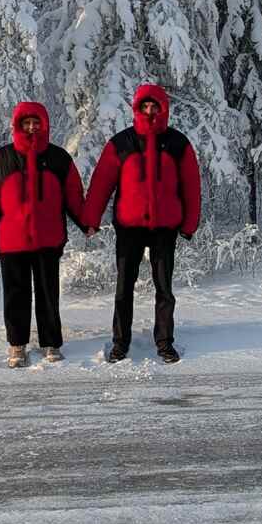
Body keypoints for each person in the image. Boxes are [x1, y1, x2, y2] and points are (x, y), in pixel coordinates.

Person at [82, 83, 202, 364]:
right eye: (145, 106)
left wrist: (189, 223)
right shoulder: (121, 143)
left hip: (165, 227)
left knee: (164, 289)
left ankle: (164, 343)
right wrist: (91, 219)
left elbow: (191, 186)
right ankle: (120, 343)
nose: (150, 111)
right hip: (129, 226)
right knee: (124, 287)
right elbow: (101, 184)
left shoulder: (177, 143)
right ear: (137, 109)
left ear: (163, 109)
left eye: (154, 106)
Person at [0, 102, 86, 368]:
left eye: (36, 123)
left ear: (44, 125)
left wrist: (86, 222)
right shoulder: (0, 160)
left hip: (49, 238)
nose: (32, 127)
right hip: (12, 241)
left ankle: (51, 343)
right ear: (18, 126)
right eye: (27, 123)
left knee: (48, 294)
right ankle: (17, 344)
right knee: (16, 296)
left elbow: (73, 196)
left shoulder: (59, 158)